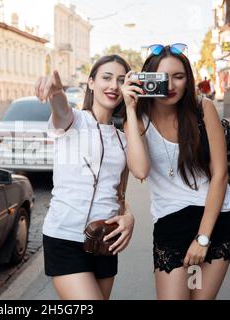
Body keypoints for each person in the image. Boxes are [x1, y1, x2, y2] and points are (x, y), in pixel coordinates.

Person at [128, 44, 230, 300]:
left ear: (188, 79)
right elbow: (139, 170)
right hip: (171, 224)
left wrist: (202, 239)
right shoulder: (139, 117)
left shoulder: (202, 109)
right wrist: (129, 107)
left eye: (179, 76)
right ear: (148, 78)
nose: (170, 85)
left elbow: (220, 175)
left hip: (215, 221)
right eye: (162, 78)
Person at [35, 55, 150, 300]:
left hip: (106, 239)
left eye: (121, 80)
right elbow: (60, 108)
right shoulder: (74, 121)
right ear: (90, 83)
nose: (113, 86)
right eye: (106, 78)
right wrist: (56, 92)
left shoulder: (122, 138)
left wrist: (128, 216)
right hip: (64, 236)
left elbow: (136, 176)